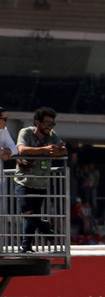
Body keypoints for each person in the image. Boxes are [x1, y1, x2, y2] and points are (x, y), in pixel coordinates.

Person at [15, 107, 68, 252]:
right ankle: (44, 227)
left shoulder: (51, 134)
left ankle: (26, 246)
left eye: (52, 124)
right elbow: (22, 150)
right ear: (37, 122)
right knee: (27, 211)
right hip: (24, 180)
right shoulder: (26, 132)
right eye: (46, 123)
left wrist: (55, 151)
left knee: (33, 215)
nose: (49, 127)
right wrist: (46, 150)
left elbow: (64, 150)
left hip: (41, 182)